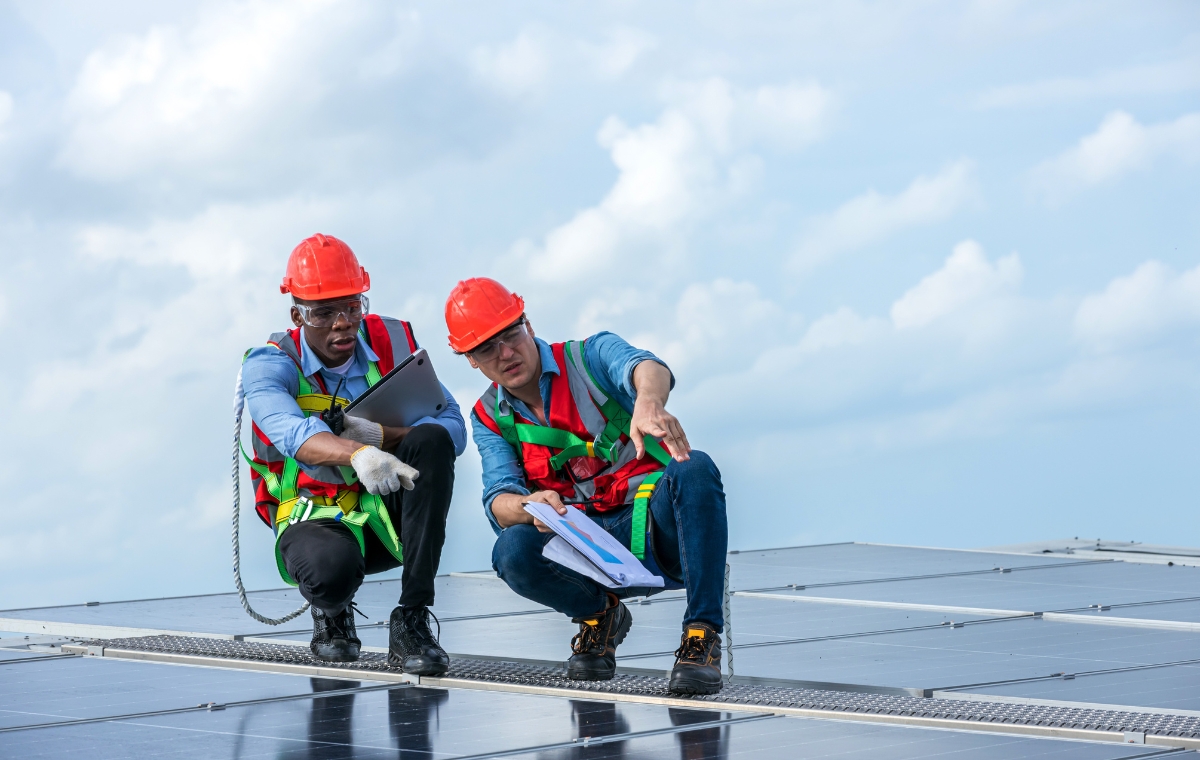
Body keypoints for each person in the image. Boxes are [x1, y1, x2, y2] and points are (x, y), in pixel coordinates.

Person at [445, 278, 729, 695]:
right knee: (511, 550)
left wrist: (649, 400)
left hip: (655, 531)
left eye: (510, 334)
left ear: (527, 321)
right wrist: (528, 505)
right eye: (487, 347)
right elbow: (498, 500)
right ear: (470, 359)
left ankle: (701, 637)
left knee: (694, 467)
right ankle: (601, 615)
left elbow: (647, 367)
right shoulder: (488, 418)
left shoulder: (589, 356)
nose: (505, 353)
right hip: (585, 552)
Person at [242, 233, 465, 674]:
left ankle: (412, 619)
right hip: (313, 513)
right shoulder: (268, 366)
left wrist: (381, 436)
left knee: (432, 440)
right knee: (330, 573)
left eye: (352, 307)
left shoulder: (394, 342)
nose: (342, 323)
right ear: (297, 314)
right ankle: (332, 612)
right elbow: (292, 435)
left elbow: (453, 429)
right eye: (323, 312)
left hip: (387, 511)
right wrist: (358, 454)